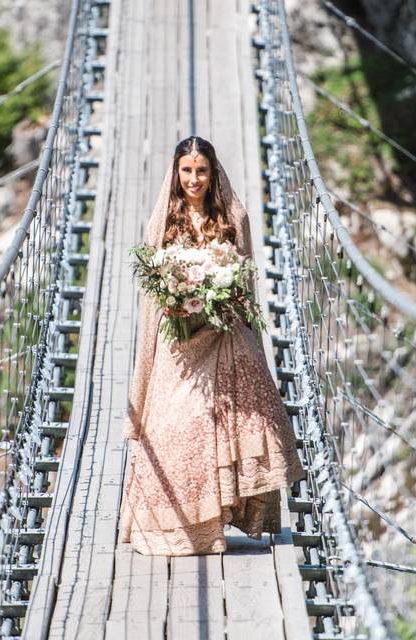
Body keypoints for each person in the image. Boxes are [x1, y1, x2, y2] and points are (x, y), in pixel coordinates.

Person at [118, 135, 305, 556]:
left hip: (221, 333)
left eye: (201, 170)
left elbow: (245, 285)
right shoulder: (162, 223)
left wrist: (234, 317)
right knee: (172, 428)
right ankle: (176, 526)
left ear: (213, 172)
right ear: (176, 172)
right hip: (179, 338)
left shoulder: (233, 218)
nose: (194, 179)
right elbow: (152, 300)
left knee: (220, 421)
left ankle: (215, 522)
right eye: (186, 170)